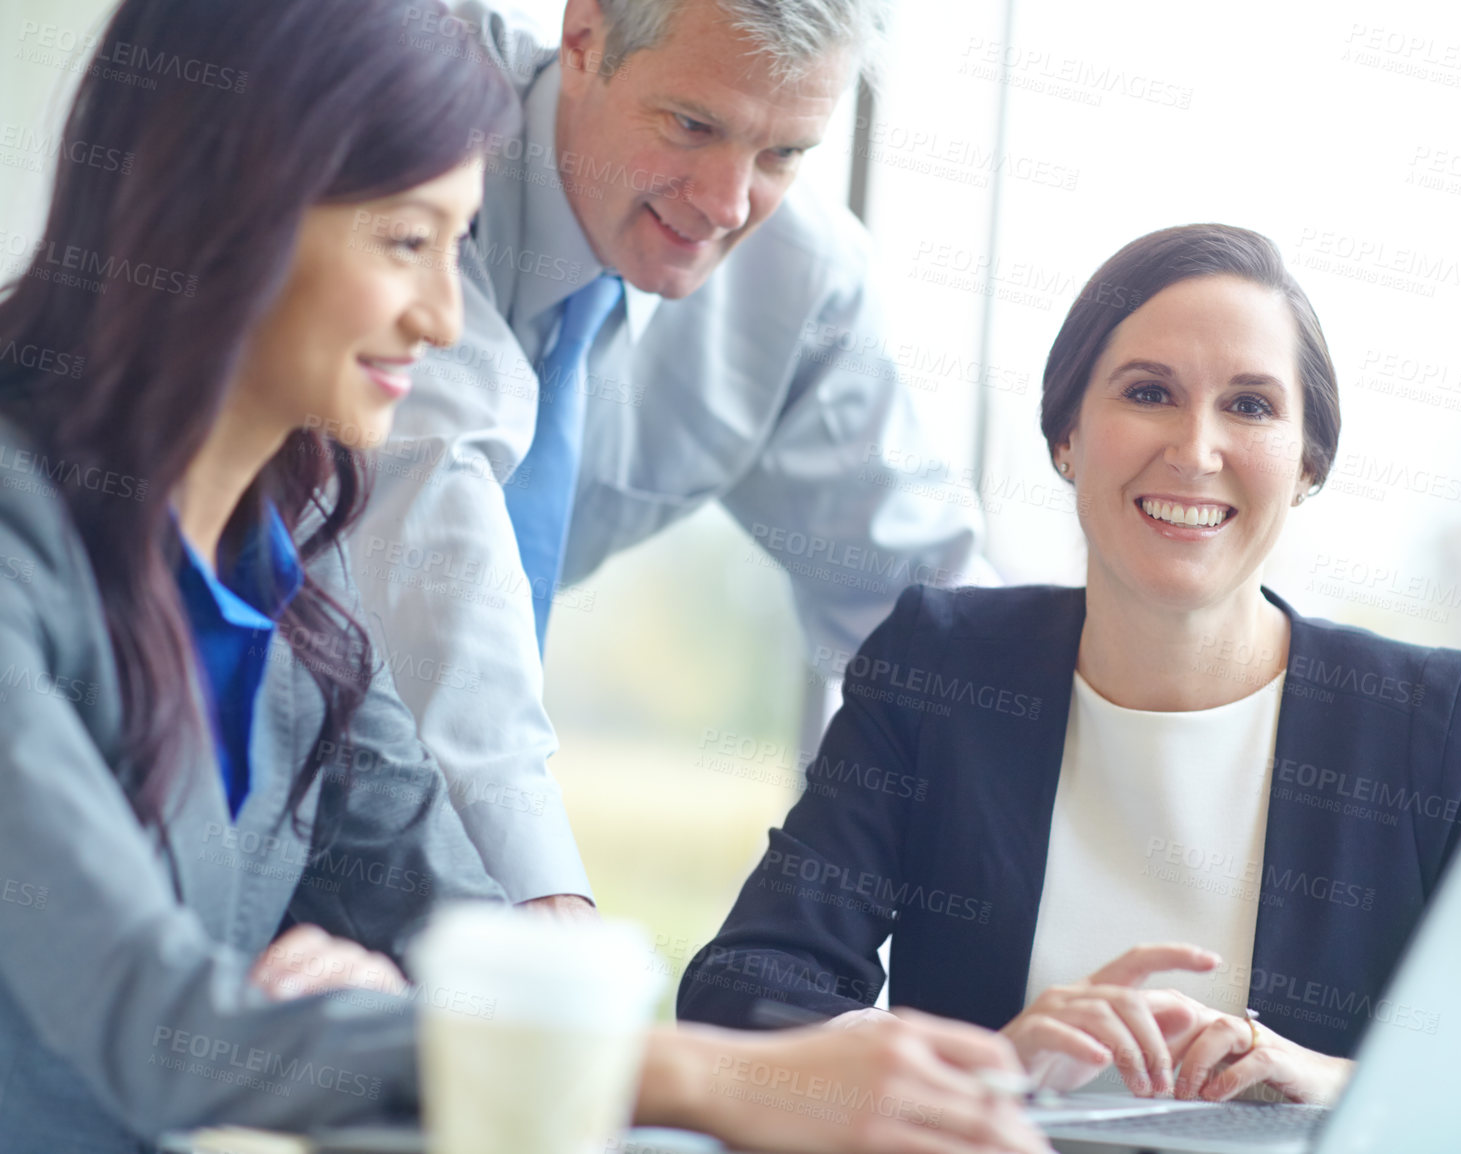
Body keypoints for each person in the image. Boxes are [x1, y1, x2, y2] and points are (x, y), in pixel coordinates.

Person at [0, 3, 1048, 1152]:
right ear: (220, 213)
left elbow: (469, 934)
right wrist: (699, 1072)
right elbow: (157, 1027)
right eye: (407, 242)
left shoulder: (291, 581)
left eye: (457, 246)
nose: (447, 314)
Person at [676, 224, 1461, 1150]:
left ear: (1307, 461)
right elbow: (743, 998)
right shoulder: (943, 669)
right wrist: (984, 1063)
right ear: (1065, 435)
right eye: (1147, 393)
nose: (1195, 449)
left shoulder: (1424, 724)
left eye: (1251, 405)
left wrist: (1351, 1092)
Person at [345, 0, 992, 915]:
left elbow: (926, 605)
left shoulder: (799, 283)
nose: (727, 206)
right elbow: (432, 519)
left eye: (783, 155)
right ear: (584, 40)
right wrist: (550, 910)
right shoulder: (426, 135)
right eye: (692, 126)